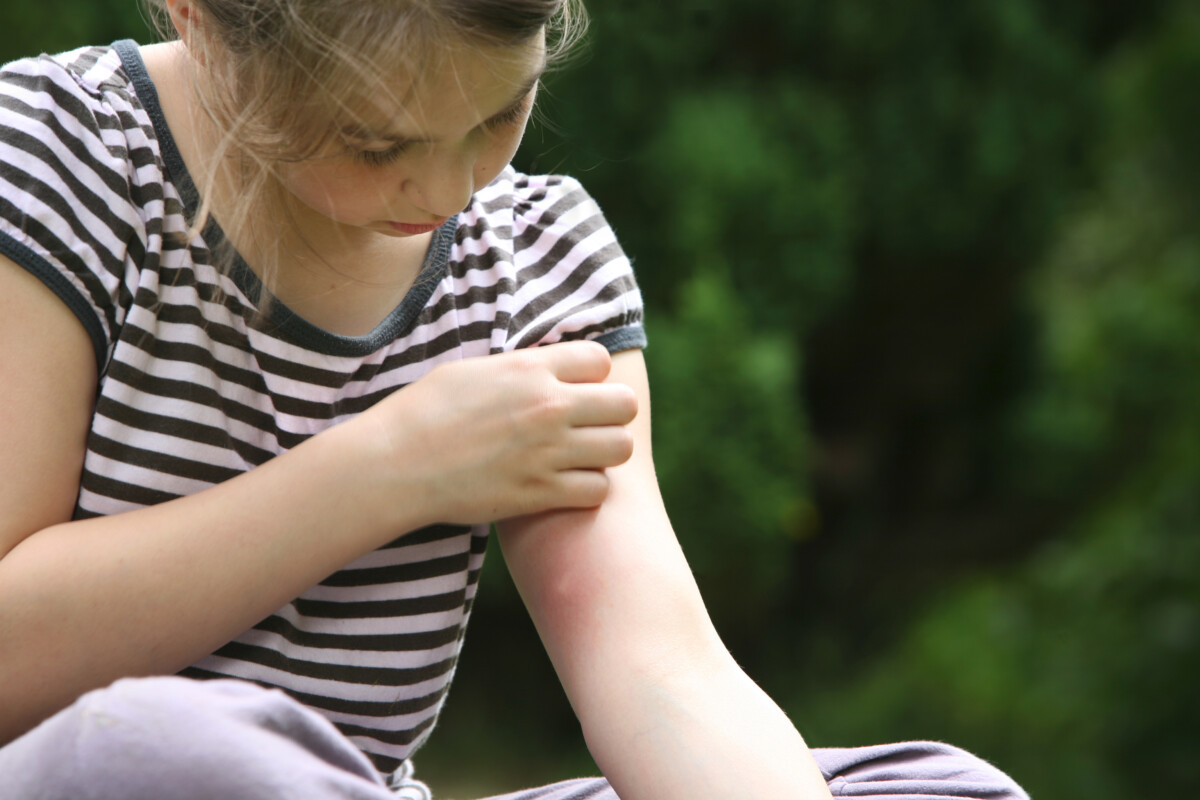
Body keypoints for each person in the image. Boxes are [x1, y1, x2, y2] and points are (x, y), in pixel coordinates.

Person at [0, 1, 1030, 798]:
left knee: (944, 787)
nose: (451, 189)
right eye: (376, 144)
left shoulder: (540, 264)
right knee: (164, 747)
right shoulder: (56, 156)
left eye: (499, 112)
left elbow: (659, 667)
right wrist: (387, 468)